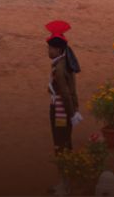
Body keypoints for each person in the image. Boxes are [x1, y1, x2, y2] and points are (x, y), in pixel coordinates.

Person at [45, 19, 80, 193]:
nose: (48, 51)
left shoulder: (58, 68)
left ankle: (64, 184)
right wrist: (75, 110)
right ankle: (67, 182)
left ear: (57, 49)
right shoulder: (64, 62)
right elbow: (71, 90)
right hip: (66, 111)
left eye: (50, 48)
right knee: (66, 144)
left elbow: (65, 94)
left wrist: (72, 112)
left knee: (61, 146)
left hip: (60, 112)